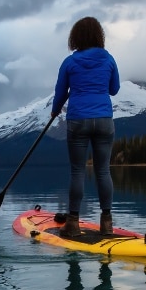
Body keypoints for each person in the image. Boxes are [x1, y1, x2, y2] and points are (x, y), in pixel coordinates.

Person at [51, 16, 120, 237]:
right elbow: (114, 89)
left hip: (78, 120)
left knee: (78, 171)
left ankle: (72, 223)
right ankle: (107, 223)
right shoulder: (109, 60)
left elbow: (61, 93)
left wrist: (55, 110)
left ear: (76, 37)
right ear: (99, 36)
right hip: (103, 120)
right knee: (103, 170)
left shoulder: (70, 62)